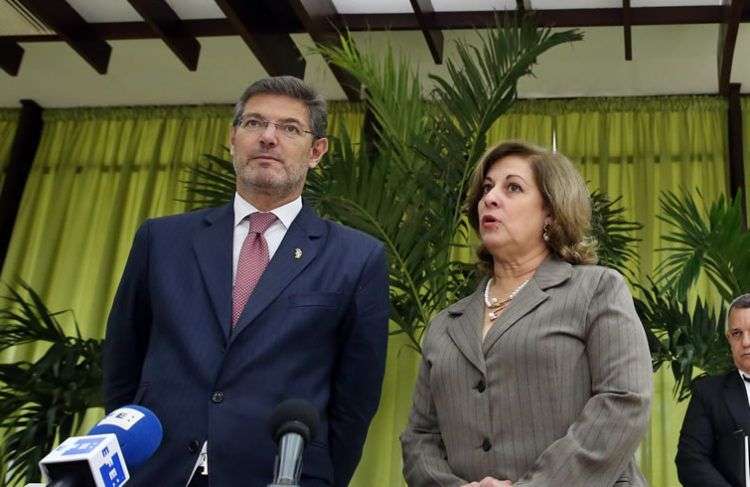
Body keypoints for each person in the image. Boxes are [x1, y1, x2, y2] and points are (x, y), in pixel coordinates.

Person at [102, 76, 390, 487]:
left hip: (278, 475)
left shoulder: (357, 258)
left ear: (317, 151)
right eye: (255, 123)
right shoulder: (162, 240)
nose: (269, 138)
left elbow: (355, 400)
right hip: (155, 472)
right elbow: (122, 364)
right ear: (233, 138)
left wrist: (321, 478)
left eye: (290, 128)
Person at [400, 141, 653, 486]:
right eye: (487, 188)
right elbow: (419, 437)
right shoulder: (446, 324)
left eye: (513, 187)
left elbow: (624, 402)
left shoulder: (597, 289)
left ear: (550, 211)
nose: (490, 198)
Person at [676, 293, 750, 487]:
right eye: (737, 333)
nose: (746, 342)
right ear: (729, 339)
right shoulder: (708, 393)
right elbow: (690, 460)